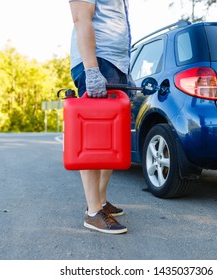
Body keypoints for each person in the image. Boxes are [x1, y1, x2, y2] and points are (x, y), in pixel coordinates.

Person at [68, 0, 132, 234]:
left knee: (111, 142)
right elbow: (80, 18)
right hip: (97, 62)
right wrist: (92, 69)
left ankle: (101, 202)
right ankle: (93, 212)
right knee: (94, 140)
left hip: (114, 64)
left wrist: (125, 71)